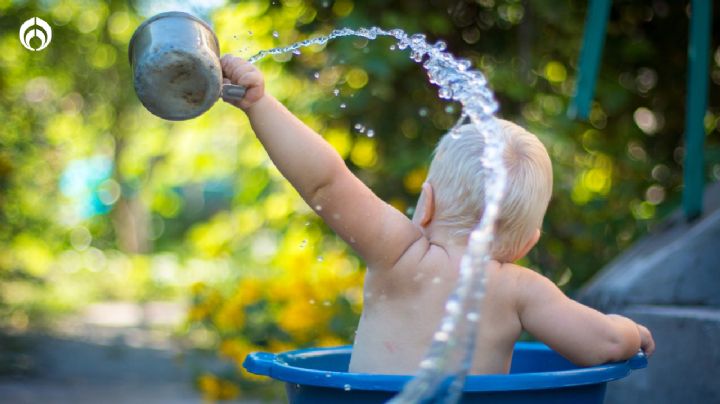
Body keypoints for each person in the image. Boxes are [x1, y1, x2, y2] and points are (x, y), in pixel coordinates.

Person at [220, 55, 655, 375]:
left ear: (424, 204)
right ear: (527, 243)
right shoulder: (521, 290)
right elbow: (605, 344)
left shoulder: (399, 254)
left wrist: (259, 103)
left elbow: (326, 183)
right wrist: (632, 332)